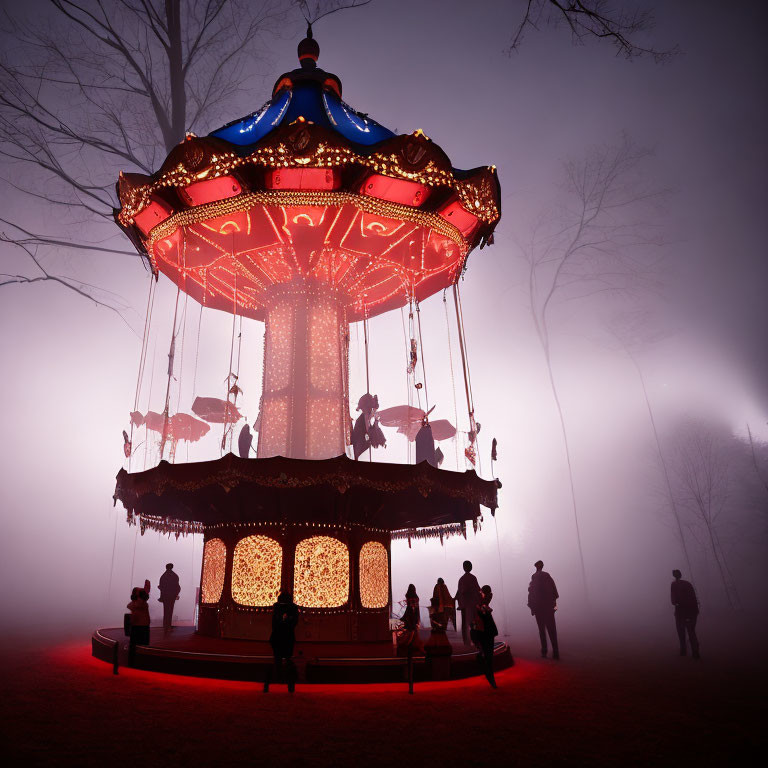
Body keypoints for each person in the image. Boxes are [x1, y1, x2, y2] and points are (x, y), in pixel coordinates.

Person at [264, 591, 299, 692]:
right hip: (287, 637)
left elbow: (274, 623)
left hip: (277, 637)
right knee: (287, 660)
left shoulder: (277, 607)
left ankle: (277, 679)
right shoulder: (293, 608)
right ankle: (289, 683)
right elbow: (294, 622)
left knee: (278, 660)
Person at [527, 560, 559, 660]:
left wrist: (532, 608)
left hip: (538, 608)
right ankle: (555, 652)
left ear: (536, 567)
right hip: (548, 607)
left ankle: (544, 651)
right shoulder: (547, 576)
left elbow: (531, 594)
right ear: (542, 566)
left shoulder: (534, 578)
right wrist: (553, 605)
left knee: (542, 630)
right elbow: (554, 591)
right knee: (552, 630)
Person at [471, 585, 499, 688]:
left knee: (488, 656)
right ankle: (490, 678)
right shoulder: (481, 605)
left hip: (484, 632)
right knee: (488, 656)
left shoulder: (480, 604)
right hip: (486, 632)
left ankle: (490, 676)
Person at [671, 569, 700, 659]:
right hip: (692, 611)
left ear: (674, 576)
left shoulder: (674, 584)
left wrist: (678, 604)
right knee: (691, 631)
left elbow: (673, 601)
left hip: (681, 611)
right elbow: (694, 598)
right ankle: (695, 652)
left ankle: (683, 651)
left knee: (681, 631)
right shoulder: (688, 584)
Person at [456, 561, 482, 645]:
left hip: (465, 605)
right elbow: (478, 590)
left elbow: (460, 592)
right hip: (472, 605)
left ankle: (467, 642)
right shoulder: (472, 578)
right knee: (473, 623)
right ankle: (475, 640)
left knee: (466, 624)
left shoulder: (462, 579)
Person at [126, 579, 151, 666]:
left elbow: (131, 606)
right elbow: (145, 594)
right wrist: (146, 587)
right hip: (143, 626)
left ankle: (132, 662)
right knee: (143, 645)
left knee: (133, 645)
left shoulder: (136, 603)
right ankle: (141, 663)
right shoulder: (142, 603)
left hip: (137, 625)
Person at [158, 563, 180, 632]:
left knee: (166, 610)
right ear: (172, 567)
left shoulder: (163, 576)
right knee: (170, 610)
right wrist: (176, 594)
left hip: (165, 596)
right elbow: (177, 587)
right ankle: (168, 626)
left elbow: (161, 587)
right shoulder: (175, 576)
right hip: (172, 596)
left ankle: (165, 626)